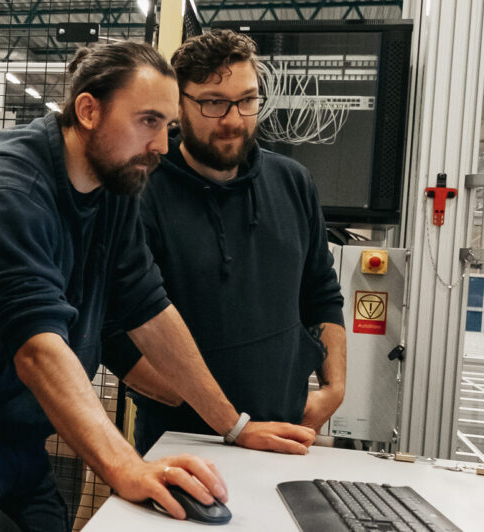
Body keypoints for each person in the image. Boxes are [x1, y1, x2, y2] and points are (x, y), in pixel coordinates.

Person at [0, 41, 316, 532]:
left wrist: (234, 425)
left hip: (22, 440)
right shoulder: (10, 193)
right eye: (148, 122)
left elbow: (148, 309)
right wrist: (125, 465)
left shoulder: (116, 186)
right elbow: (38, 350)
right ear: (88, 110)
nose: (162, 147)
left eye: (166, 126)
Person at [103, 30, 346, 455]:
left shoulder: (293, 182)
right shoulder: (139, 193)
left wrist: (334, 390)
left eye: (247, 100)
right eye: (214, 102)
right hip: (180, 443)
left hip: (285, 435)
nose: (234, 119)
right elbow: (113, 329)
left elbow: (322, 292)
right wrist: (190, 401)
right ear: (179, 105)